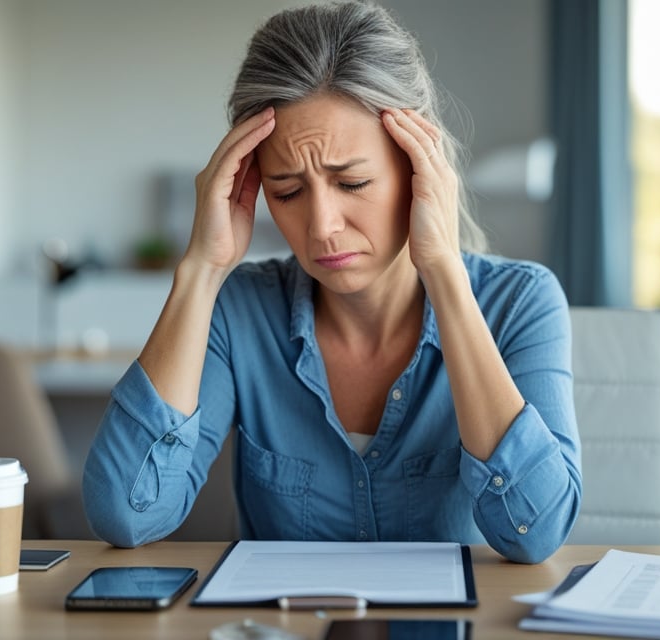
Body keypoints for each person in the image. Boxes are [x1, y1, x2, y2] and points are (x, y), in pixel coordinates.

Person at [82, 1, 580, 564]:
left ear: (419, 166)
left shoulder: (521, 303)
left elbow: (535, 531)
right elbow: (126, 513)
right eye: (288, 192)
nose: (321, 227)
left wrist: (442, 269)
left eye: (354, 182)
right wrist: (200, 269)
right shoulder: (239, 313)